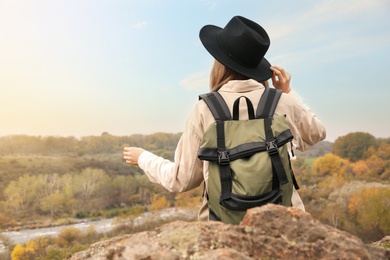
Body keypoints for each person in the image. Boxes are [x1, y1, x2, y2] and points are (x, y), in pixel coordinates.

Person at [123, 16, 326, 221]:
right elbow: (317, 133)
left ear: (220, 64)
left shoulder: (204, 110)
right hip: (286, 221)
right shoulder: (283, 102)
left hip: (223, 227)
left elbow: (181, 180)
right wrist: (287, 91)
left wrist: (143, 158)